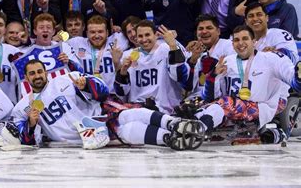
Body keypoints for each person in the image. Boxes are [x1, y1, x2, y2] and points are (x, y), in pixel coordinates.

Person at [12, 60, 204, 150]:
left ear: (45, 72)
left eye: (40, 71)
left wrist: (87, 84)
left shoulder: (65, 79)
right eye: (32, 73)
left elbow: (102, 91)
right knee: (125, 131)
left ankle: (173, 123)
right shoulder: (23, 106)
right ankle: (169, 138)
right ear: (26, 77)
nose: (37, 76)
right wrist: (30, 124)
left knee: (128, 115)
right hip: (82, 137)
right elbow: (28, 142)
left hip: (97, 115)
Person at [198, 25, 301, 142]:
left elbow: (294, 82)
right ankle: (186, 127)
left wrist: (298, 77)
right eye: (236, 40)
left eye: (245, 39)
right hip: (231, 109)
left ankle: (199, 128)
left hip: (260, 107)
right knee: (197, 107)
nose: (240, 43)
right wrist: (212, 77)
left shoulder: (271, 58)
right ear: (232, 44)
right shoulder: (226, 61)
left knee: (227, 103)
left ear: (254, 41)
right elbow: (211, 98)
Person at [114, 20, 189, 114]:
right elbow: (121, 93)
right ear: (136, 38)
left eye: (147, 35)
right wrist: (123, 71)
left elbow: (180, 77)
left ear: (156, 35)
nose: (144, 39)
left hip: (167, 110)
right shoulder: (128, 56)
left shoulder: (167, 48)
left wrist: (173, 46)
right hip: (138, 110)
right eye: (140, 36)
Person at [67, 15, 129, 93]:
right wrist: (56, 37)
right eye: (92, 32)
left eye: (100, 32)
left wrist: (120, 29)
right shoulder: (76, 42)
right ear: (87, 33)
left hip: (113, 95)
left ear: (107, 33)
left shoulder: (117, 39)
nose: (96, 36)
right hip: (88, 96)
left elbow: (135, 36)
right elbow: (56, 44)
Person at [182, 14, 235, 101]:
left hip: (220, 100)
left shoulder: (229, 46)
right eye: (200, 29)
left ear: (218, 31)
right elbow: (188, 86)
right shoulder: (193, 52)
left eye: (209, 28)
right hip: (196, 99)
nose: (204, 31)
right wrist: (193, 60)